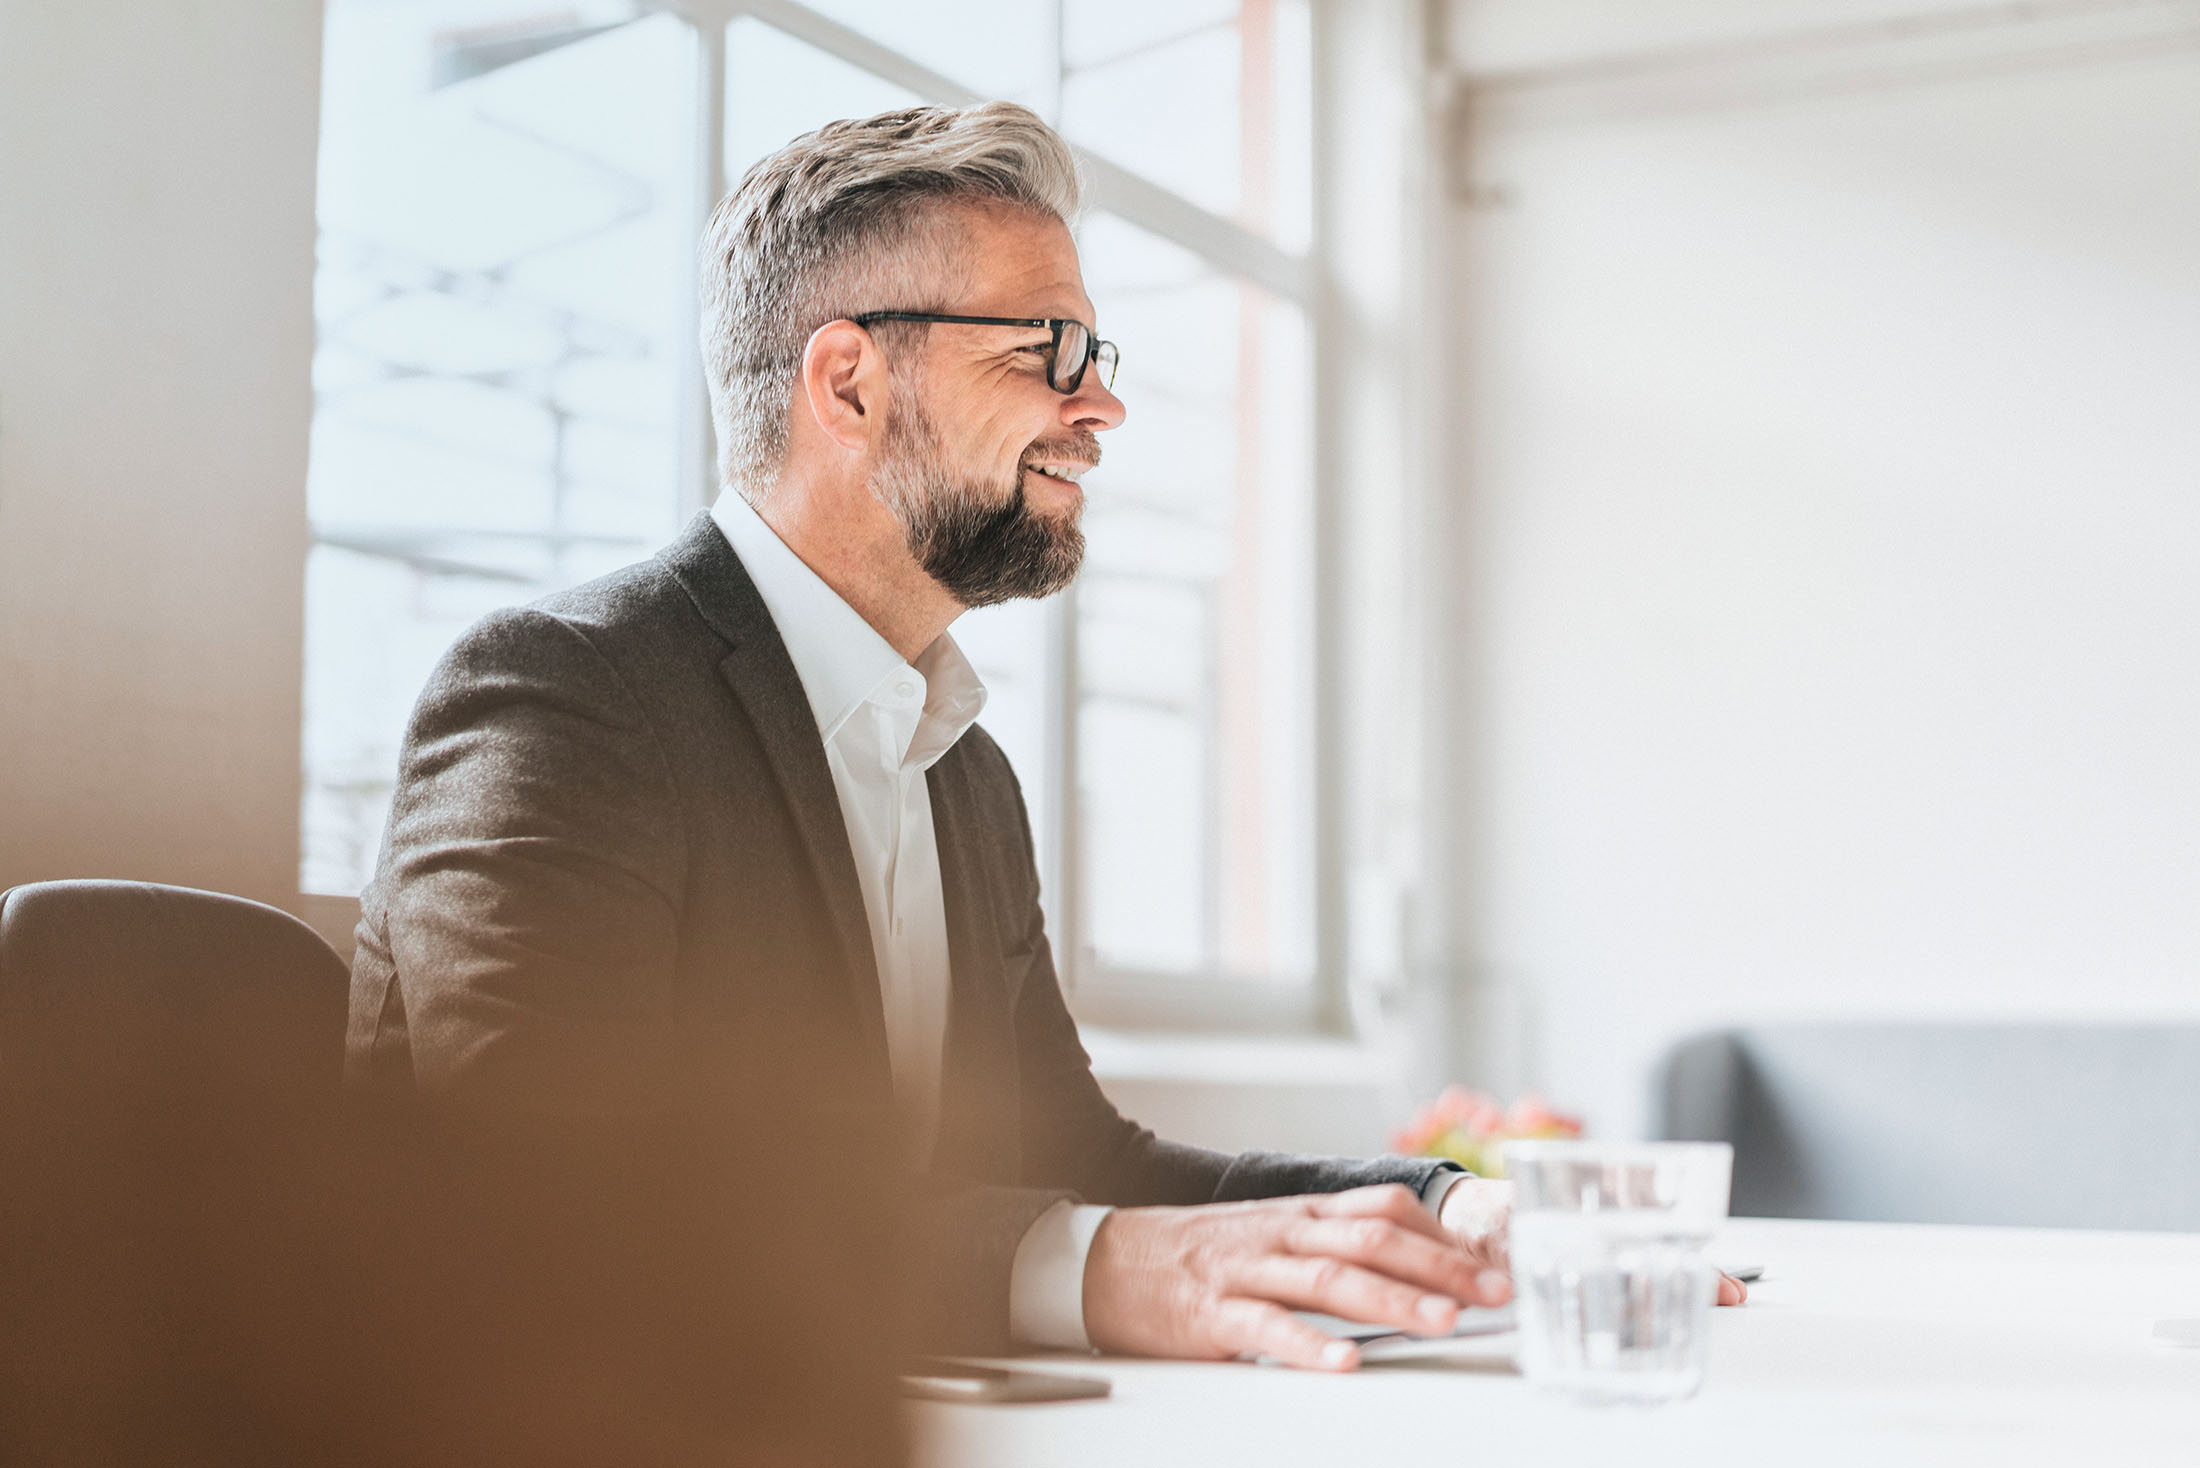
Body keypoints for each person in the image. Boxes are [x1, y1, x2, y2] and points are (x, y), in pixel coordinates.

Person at [348, 101, 1737, 1372]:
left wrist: (1447, 1212)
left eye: (1098, 355)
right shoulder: (566, 697)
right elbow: (545, 1200)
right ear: (847, 387)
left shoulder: (959, 768)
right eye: (1051, 351)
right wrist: (1091, 1268)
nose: (1103, 405)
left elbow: (1078, 1160)